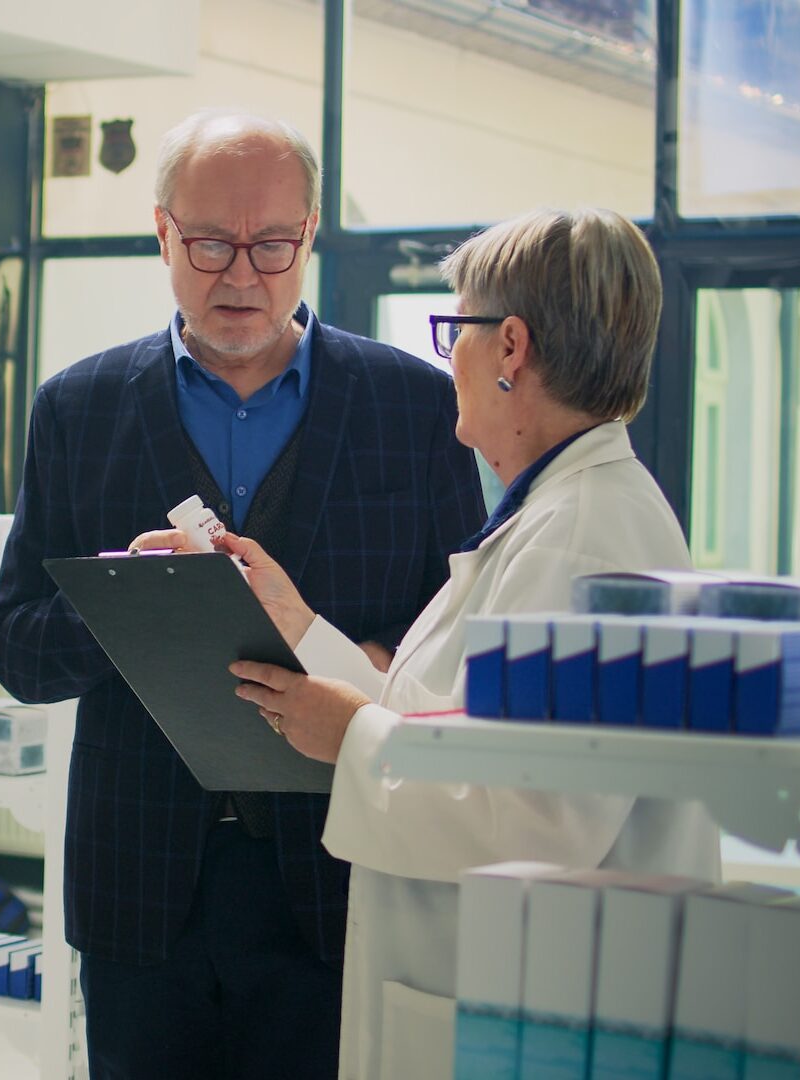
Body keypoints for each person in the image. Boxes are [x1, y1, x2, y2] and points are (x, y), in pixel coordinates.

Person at [0, 109, 484, 1080]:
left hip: (338, 879)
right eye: (210, 244)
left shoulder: (412, 407)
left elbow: (449, 644)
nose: (242, 275)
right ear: (162, 232)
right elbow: (13, 648)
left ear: (309, 238)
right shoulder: (77, 410)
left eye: (270, 244)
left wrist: (359, 667)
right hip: (139, 884)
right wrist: (119, 604)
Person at [208, 208, 721, 1079]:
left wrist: (349, 737)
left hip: (531, 1001)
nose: (451, 359)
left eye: (458, 332)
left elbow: (536, 818)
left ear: (510, 346)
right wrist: (296, 625)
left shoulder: (583, 539)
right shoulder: (556, 514)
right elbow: (449, 726)